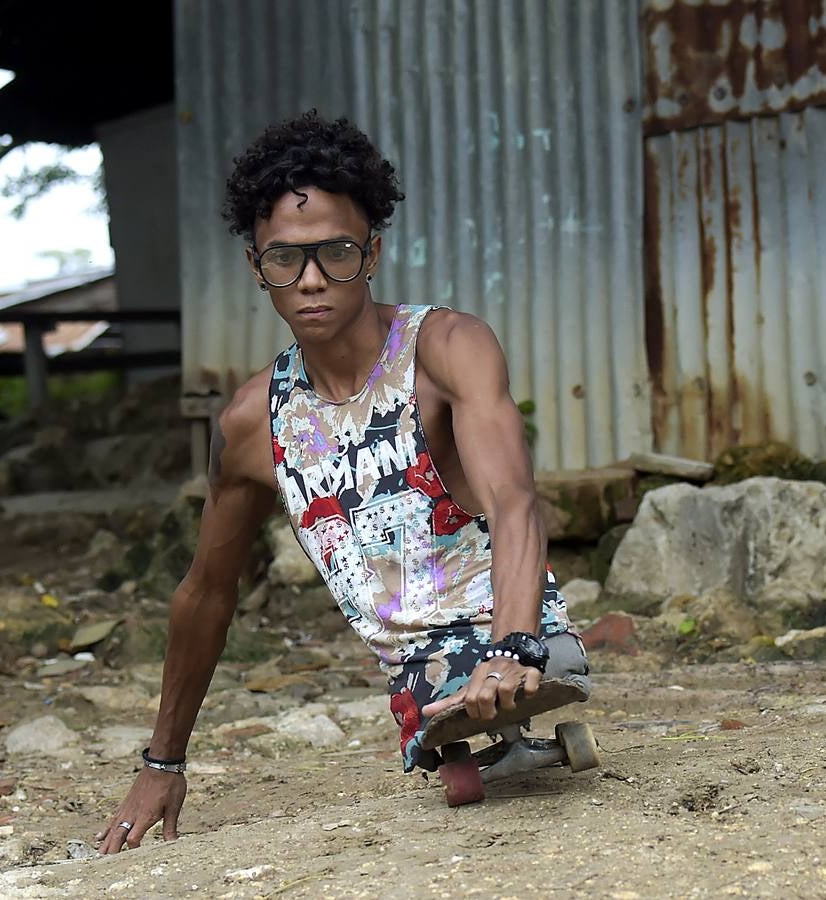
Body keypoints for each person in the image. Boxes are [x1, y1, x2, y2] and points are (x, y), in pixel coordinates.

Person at [97, 111, 586, 854]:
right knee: (437, 700)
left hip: (518, 633)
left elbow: (514, 497)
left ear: (374, 252)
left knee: (520, 670)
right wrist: (161, 761)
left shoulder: (446, 348)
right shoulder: (251, 423)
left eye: (337, 253)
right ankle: (460, 723)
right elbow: (206, 590)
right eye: (286, 260)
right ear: (255, 267)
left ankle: (504, 697)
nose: (314, 280)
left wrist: (512, 645)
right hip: (423, 672)